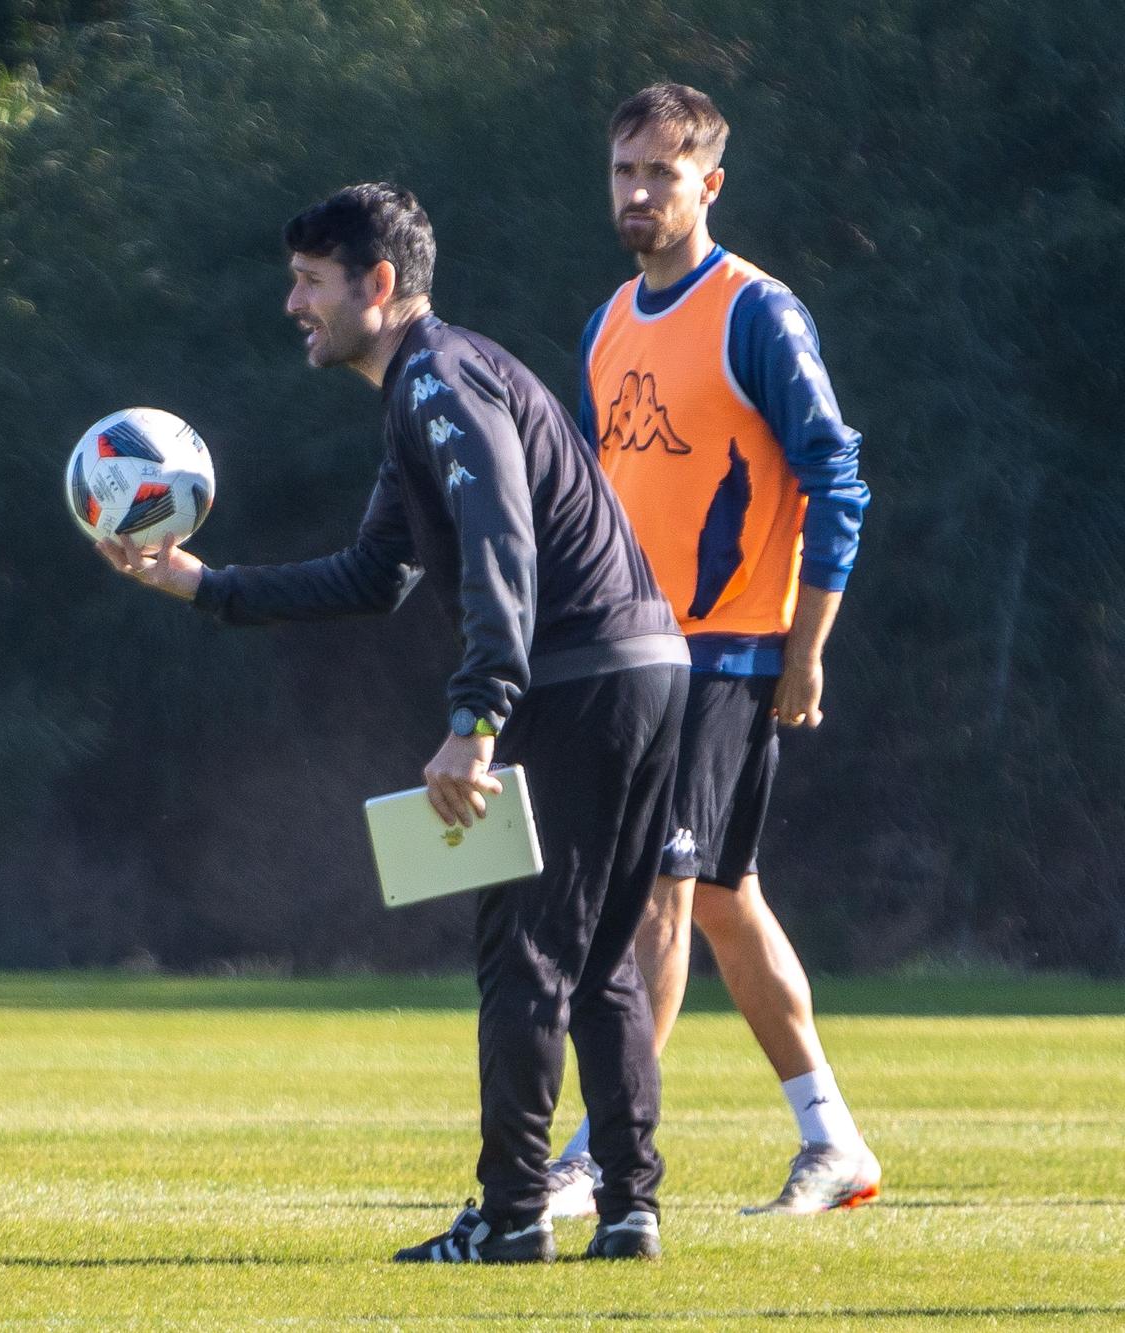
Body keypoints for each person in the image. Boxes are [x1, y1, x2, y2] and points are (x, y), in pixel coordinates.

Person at [99, 183, 689, 1262]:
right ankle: (628, 1209)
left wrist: (475, 716)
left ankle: (512, 1216)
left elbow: (503, 542)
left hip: (575, 678)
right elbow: (376, 575)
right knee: (596, 956)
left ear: (378, 285)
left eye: (310, 281)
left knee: (524, 954)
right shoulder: (430, 386)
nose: (292, 304)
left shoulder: (439, 383)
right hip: (644, 666)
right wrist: (204, 585)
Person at [543, 83, 878, 1218]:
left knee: (660, 898)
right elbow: (598, 506)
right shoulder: (604, 324)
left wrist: (806, 645)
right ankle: (832, 1143)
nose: (636, 193)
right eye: (621, 172)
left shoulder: (754, 313)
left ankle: (596, 1150)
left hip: (724, 653)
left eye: (659, 174)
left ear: (708, 185)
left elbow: (836, 477)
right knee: (726, 897)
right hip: (630, 659)